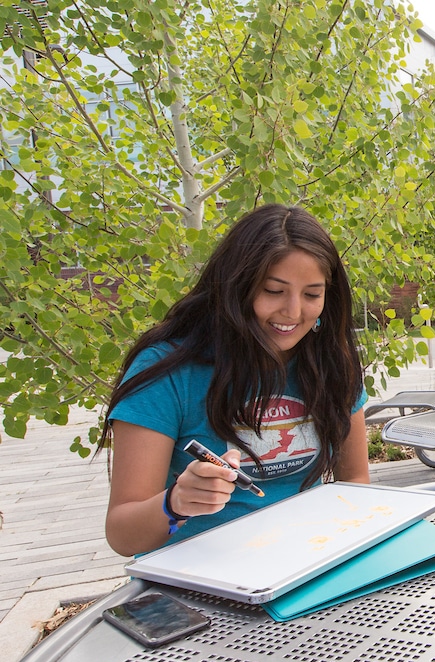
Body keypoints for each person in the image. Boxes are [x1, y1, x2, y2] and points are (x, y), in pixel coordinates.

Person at [102, 205, 371, 556]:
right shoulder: (167, 370)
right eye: (274, 291)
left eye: (311, 294)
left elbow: (356, 482)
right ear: (235, 288)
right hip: (195, 580)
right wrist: (177, 502)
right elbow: (124, 535)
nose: (292, 312)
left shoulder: (332, 362)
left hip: (307, 563)